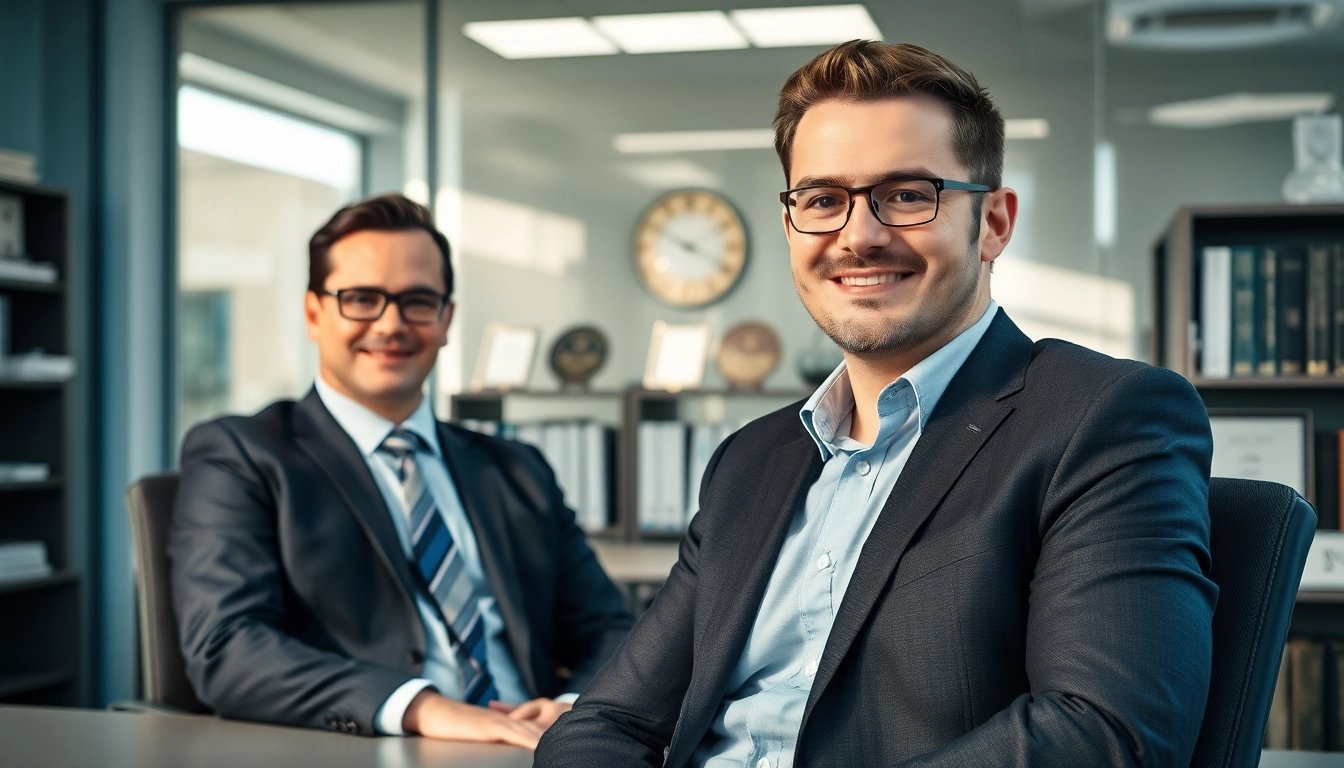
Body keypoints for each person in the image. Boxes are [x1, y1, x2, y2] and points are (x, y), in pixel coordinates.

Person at [535, 41, 1215, 768]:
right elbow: (605, 723)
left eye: (908, 194)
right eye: (823, 200)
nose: (858, 237)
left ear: (994, 224)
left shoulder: (1104, 418)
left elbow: (1105, 733)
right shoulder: (751, 461)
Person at [169, 194, 633, 749]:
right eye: (361, 299)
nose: (390, 325)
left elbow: (612, 629)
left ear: (446, 319)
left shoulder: (516, 468)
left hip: (536, 748)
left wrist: (570, 708)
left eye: (417, 301)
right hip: (369, 748)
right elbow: (228, 645)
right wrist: (420, 707)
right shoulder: (241, 454)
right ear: (314, 313)